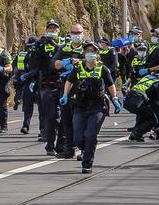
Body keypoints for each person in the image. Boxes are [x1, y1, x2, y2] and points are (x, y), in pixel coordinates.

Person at [60, 42, 121, 173]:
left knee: (90, 135)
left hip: (97, 107)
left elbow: (111, 84)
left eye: (93, 51)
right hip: (80, 107)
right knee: (78, 138)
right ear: (84, 53)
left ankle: (87, 163)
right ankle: (85, 148)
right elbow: (69, 81)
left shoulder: (102, 68)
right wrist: (65, 95)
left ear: (97, 54)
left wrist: (115, 98)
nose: (90, 54)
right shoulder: (78, 68)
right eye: (87, 51)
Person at [28, 19, 63, 155]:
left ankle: (61, 145)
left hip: (64, 84)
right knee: (51, 116)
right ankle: (49, 144)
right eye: (50, 28)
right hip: (47, 84)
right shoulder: (40, 45)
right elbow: (33, 64)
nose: (52, 31)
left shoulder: (64, 44)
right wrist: (39, 46)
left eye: (55, 28)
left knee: (64, 117)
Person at [53, 23, 86, 159]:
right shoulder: (64, 48)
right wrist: (65, 62)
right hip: (66, 88)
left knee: (81, 120)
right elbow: (55, 64)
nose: (76, 35)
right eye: (74, 32)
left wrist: (80, 62)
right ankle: (69, 148)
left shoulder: (88, 48)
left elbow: (96, 61)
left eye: (79, 33)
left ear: (83, 33)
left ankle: (85, 149)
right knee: (66, 119)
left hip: (83, 88)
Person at [15, 36, 39, 134]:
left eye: (32, 46)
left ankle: (43, 129)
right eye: (29, 46)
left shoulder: (40, 54)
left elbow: (38, 68)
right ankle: (26, 125)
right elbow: (25, 68)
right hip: (29, 81)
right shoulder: (27, 55)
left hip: (40, 80)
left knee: (42, 107)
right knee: (27, 105)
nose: (30, 48)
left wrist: (28, 75)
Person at [125, 74, 159, 140]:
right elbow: (156, 102)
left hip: (129, 100)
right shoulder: (157, 82)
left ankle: (134, 135)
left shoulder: (148, 77)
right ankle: (137, 133)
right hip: (138, 101)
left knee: (142, 115)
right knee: (154, 120)